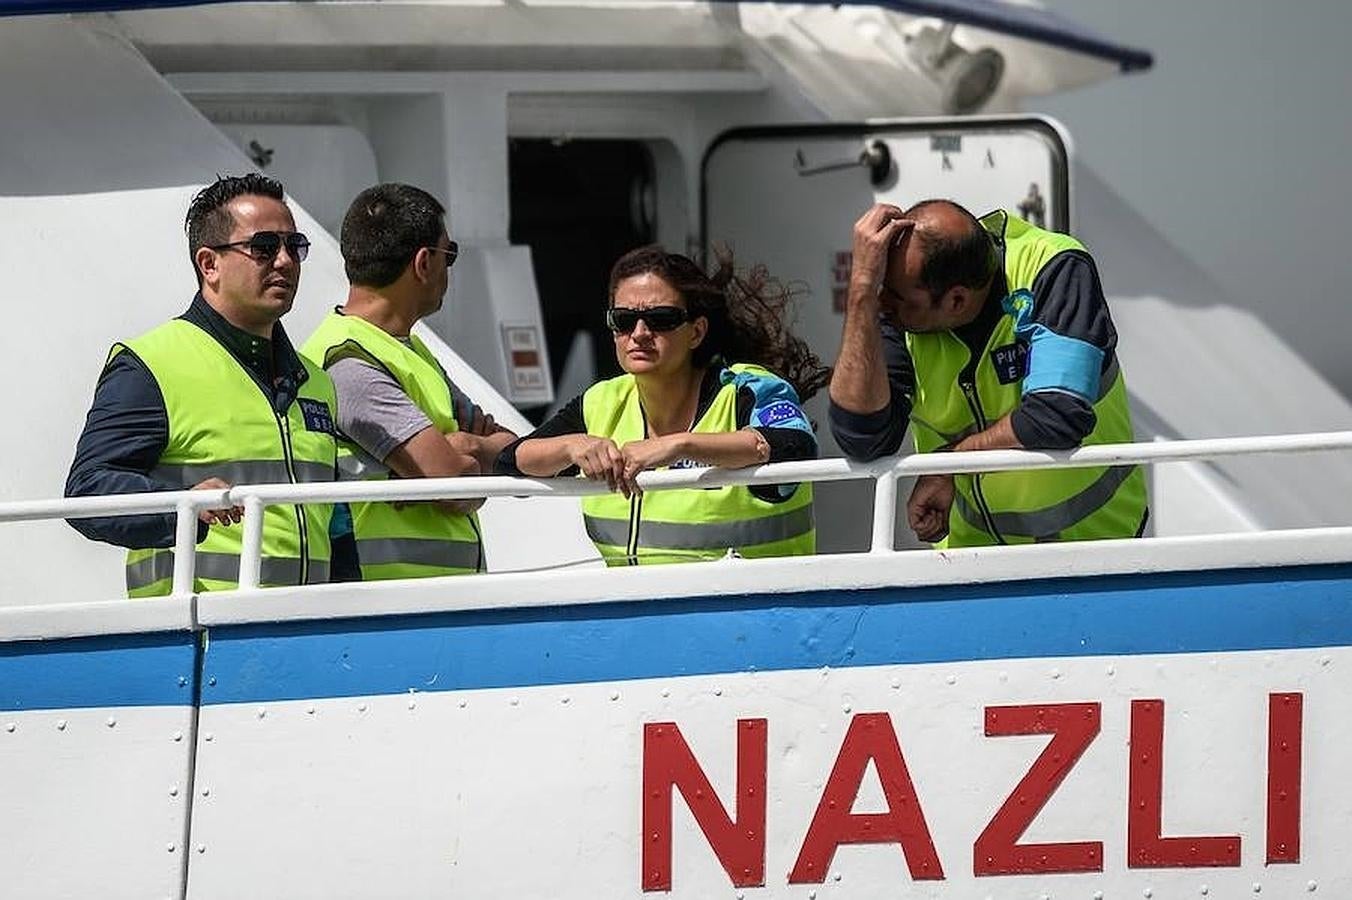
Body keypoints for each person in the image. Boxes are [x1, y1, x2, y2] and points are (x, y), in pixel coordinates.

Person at [65, 174, 340, 596]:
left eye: (294, 245)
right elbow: (87, 494)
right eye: (264, 247)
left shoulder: (316, 382)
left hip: (305, 635)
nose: (285, 261)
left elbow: (333, 522)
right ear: (209, 264)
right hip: (196, 640)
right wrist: (184, 504)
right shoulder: (151, 365)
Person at [829, 199, 1148, 547]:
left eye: (893, 297)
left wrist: (950, 463)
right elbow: (862, 438)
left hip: (1096, 549)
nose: (882, 304)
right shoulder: (898, 312)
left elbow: (1057, 415)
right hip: (972, 563)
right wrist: (860, 289)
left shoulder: (1053, 266)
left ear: (956, 302)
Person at [498, 246, 827, 565]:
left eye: (661, 318)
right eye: (624, 320)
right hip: (637, 613)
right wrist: (573, 446)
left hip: (758, 611)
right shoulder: (601, 401)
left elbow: (794, 447)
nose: (640, 333)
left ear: (696, 332)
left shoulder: (745, 388)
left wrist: (677, 446)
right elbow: (510, 461)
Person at [302, 183, 515, 580]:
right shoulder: (349, 361)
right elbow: (455, 485)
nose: (447, 269)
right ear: (423, 263)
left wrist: (467, 445)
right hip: (385, 604)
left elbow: (510, 447)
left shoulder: (410, 352)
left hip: (430, 601)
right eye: (448, 255)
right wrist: (461, 461)